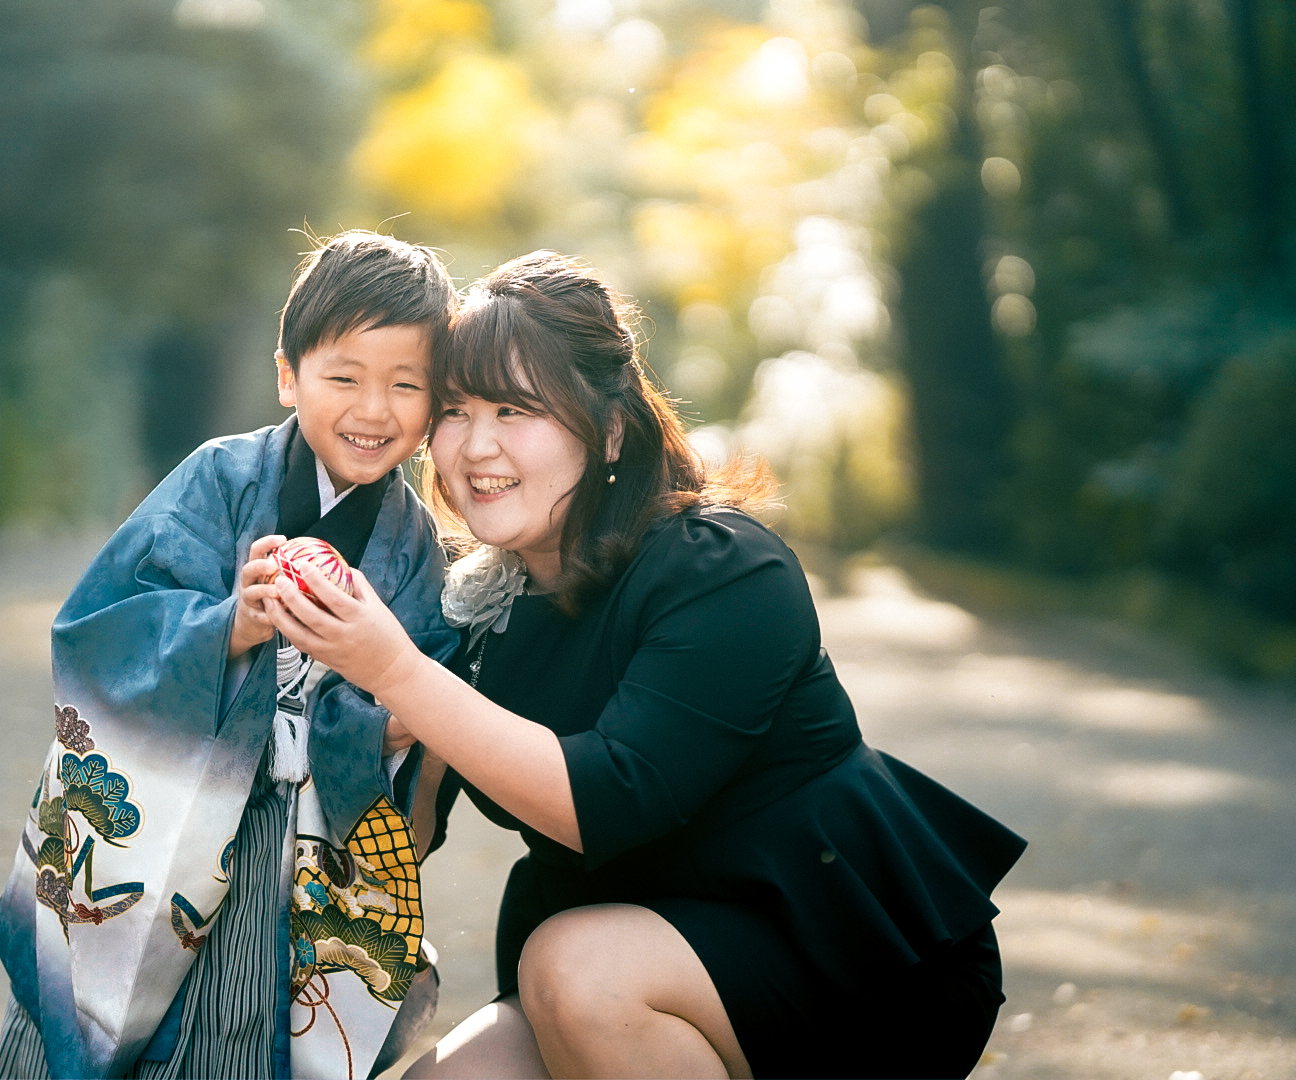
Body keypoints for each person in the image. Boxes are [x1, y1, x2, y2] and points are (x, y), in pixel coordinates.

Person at [264, 251, 1028, 1080]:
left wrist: (397, 670)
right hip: (631, 960)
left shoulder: (724, 569)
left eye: (516, 410)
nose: (475, 445)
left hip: (846, 962)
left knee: (572, 970)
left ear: (612, 429)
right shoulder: (473, 607)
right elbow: (399, 838)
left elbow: (612, 796)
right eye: (453, 410)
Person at [0, 231, 460, 1080]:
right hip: (172, 808)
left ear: (435, 405)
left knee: (244, 1029)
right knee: (96, 1015)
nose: (373, 409)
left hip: (294, 841)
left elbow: (424, 679)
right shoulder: (219, 479)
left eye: (406, 385)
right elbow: (100, 627)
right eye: (344, 376)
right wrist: (228, 627)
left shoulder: (418, 543)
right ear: (289, 375)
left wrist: (387, 724)